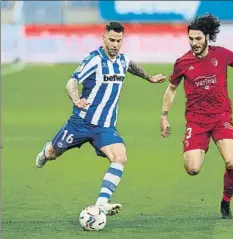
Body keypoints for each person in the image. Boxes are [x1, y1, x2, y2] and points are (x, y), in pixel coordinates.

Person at [36, 22, 166, 216]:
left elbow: (131, 66)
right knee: (54, 152)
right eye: (111, 40)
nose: (115, 44)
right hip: (80, 123)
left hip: (105, 127)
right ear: (104, 38)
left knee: (120, 157)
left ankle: (101, 203)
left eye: (119, 41)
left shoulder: (122, 60)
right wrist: (76, 99)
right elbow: (71, 82)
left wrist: (150, 78)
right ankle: (45, 153)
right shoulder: (94, 60)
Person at [160, 14, 233, 219]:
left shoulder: (221, 54)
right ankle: (197, 145)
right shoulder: (182, 62)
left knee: (232, 163)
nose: (194, 43)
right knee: (193, 168)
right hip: (196, 122)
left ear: (207, 37)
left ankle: (226, 203)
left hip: (221, 118)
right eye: (191, 39)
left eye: (198, 39)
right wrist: (164, 116)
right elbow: (171, 89)